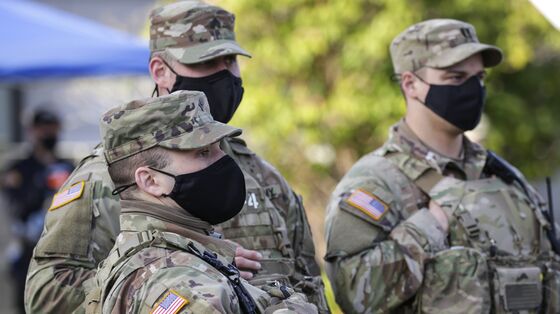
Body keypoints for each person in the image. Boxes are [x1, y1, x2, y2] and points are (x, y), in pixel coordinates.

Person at [25, 1, 327, 313]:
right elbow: (47, 297)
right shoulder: (113, 173)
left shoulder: (262, 175)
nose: (225, 75)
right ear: (160, 71)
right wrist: (196, 264)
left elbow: (307, 281)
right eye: (207, 62)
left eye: (230, 61)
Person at [324, 18, 560, 313]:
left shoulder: (506, 179)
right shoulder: (375, 183)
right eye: (456, 78)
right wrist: (427, 228)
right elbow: (352, 293)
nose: (473, 89)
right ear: (411, 84)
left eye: (479, 77)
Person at [81, 91, 316, 314]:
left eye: (218, 147)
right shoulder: (175, 282)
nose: (223, 160)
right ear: (150, 180)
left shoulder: (175, 252)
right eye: (203, 152)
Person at [1, 109, 74, 313]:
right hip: (29, 248)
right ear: (32, 131)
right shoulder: (19, 168)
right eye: (43, 129)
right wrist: (41, 184)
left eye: (52, 129)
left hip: (65, 249)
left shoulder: (68, 166)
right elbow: (15, 207)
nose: (48, 134)